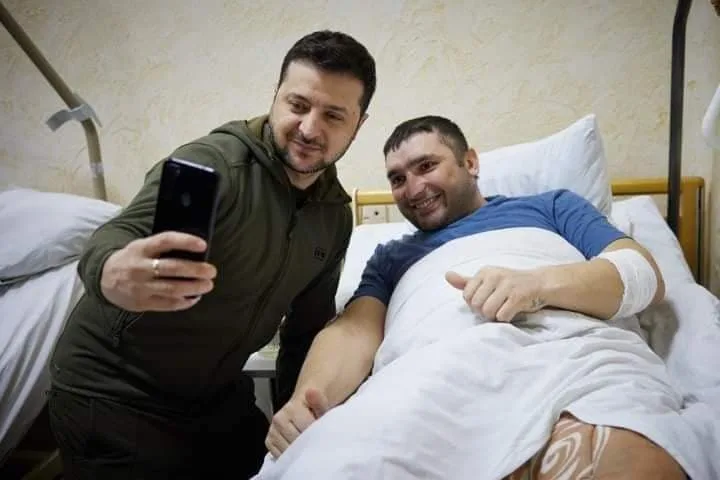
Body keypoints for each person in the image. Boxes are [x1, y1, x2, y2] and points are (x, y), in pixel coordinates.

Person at [264, 115, 686, 478]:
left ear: (470, 162)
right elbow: (354, 332)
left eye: (426, 166)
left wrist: (537, 286)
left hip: (571, 357)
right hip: (434, 376)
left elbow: (642, 274)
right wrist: (308, 398)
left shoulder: (552, 207)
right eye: (398, 179)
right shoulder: (391, 257)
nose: (413, 188)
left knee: (635, 460)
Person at [47, 30, 376, 479]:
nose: (309, 128)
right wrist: (110, 270)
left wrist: (296, 417)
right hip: (114, 394)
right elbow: (117, 235)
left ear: (358, 125)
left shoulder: (333, 215)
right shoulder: (213, 165)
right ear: (276, 96)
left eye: (333, 115)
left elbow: (304, 333)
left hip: (214, 400)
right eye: (298, 105)